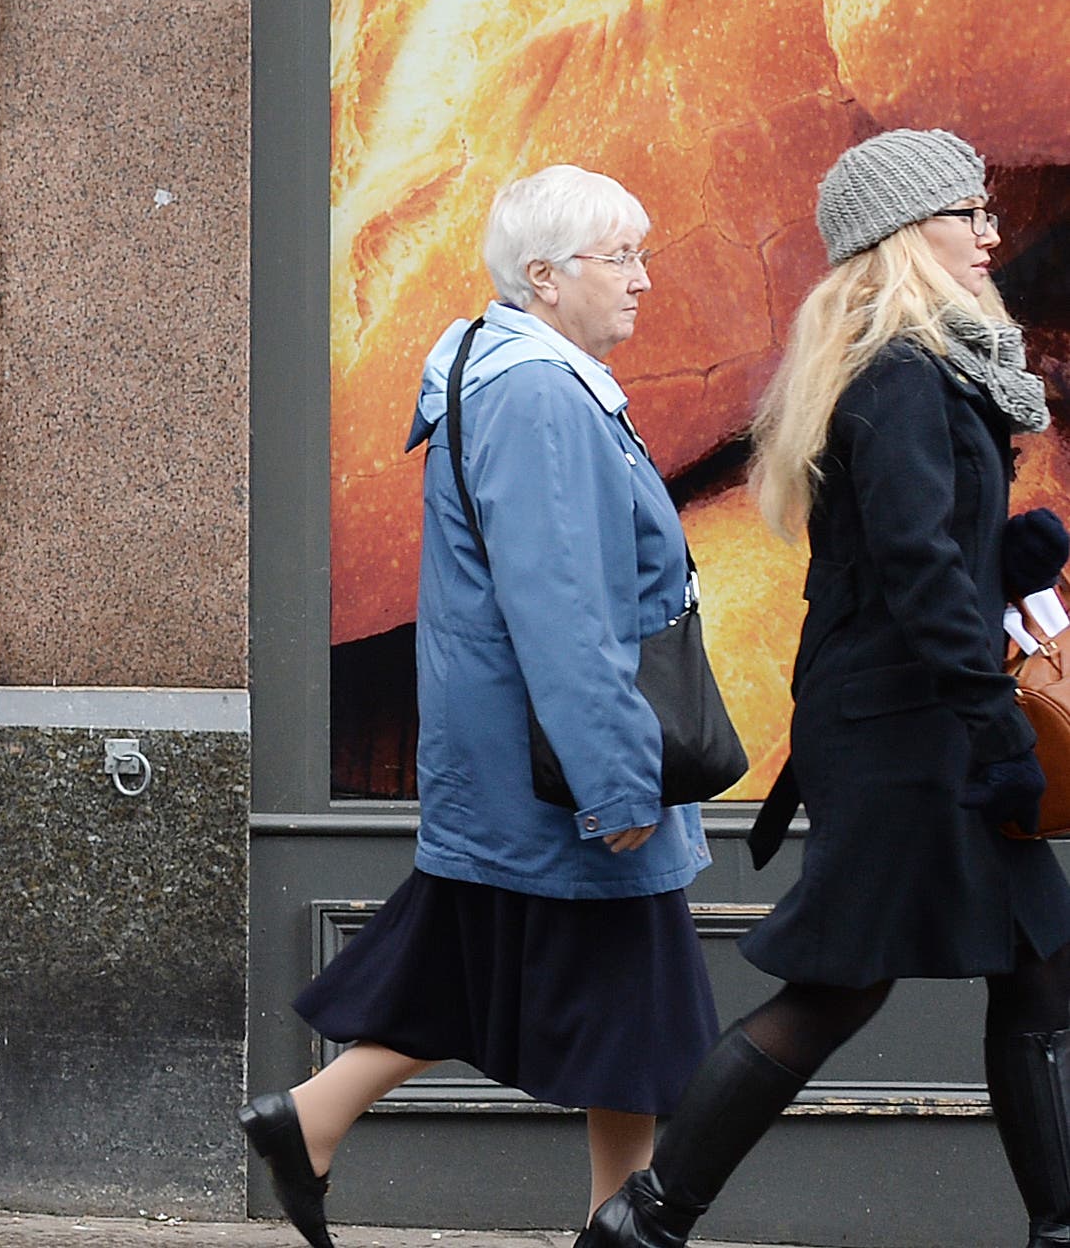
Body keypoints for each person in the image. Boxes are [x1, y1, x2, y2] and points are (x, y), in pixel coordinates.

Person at [575, 127, 1070, 1248]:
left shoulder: (929, 367)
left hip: (923, 715)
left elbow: (920, 552)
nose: (993, 230)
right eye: (967, 210)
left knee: (1043, 968)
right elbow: (910, 570)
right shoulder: (900, 377)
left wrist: (1010, 553)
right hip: (908, 732)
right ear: (905, 234)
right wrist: (995, 727)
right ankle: (643, 1223)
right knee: (837, 990)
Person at [241, 165, 717, 1244]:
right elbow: (561, 604)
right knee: (626, 997)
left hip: (526, 760)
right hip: (562, 764)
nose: (644, 280)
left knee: (497, 976)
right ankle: (618, 1224)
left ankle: (314, 1122)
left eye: (644, 252)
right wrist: (617, 781)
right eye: (622, 257)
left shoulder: (522, 376)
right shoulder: (541, 394)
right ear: (545, 279)